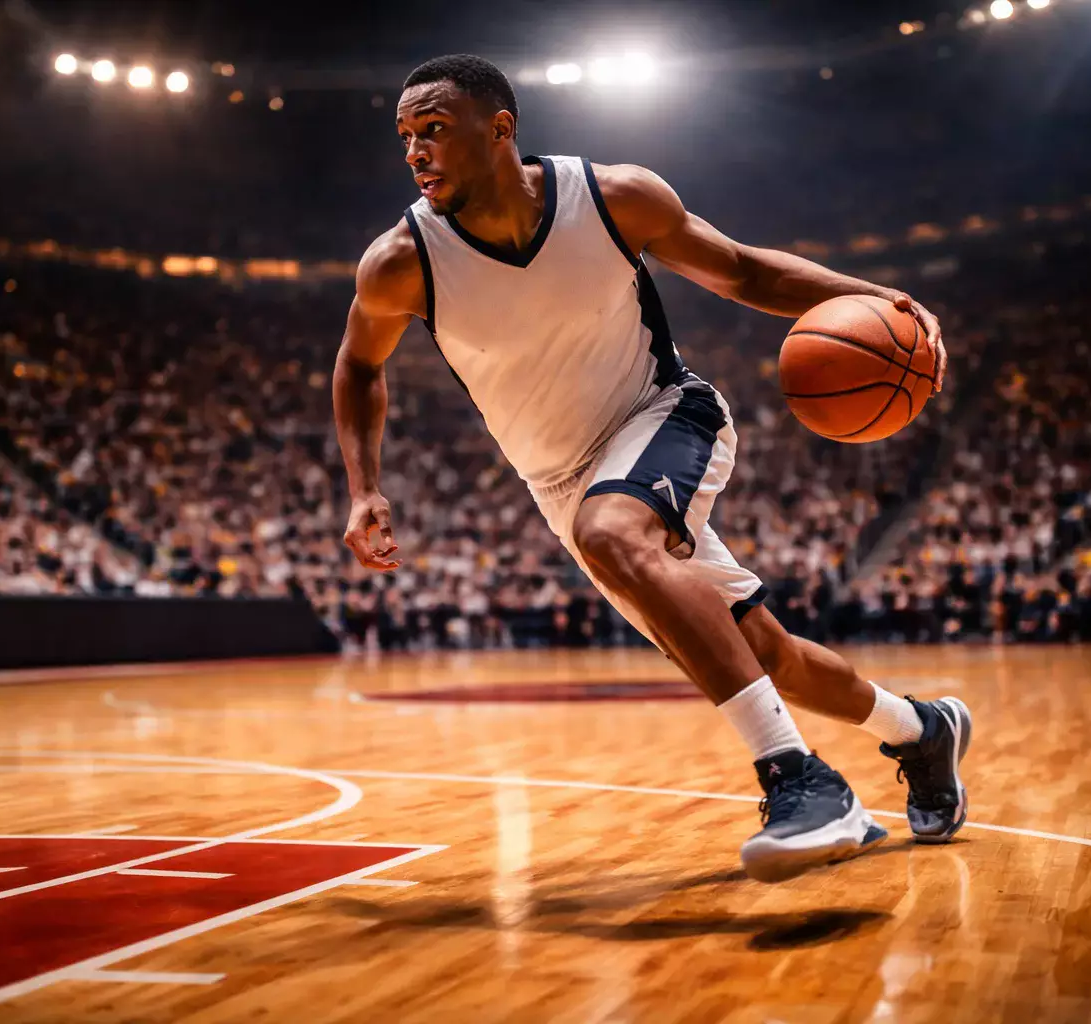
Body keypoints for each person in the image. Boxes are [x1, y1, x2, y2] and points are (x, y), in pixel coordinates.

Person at [333, 55, 972, 882]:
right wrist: (363, 486)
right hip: (558, 485)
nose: (416, 151)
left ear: (500, 129)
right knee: (763, 654)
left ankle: (800, 779)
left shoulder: (612, 196)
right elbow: (356, 366)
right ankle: (922, 730)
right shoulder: (400, 261)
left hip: (664, 414)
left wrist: (876, 297)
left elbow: (740, 269)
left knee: (613, 530)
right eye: (406, 137)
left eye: (435, 130)